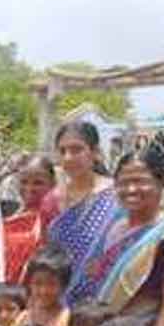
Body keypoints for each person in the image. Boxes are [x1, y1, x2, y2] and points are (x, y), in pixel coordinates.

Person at [79, 147, 164, 326]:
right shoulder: (111, 226)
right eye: (123, 183)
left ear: (161, 182)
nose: (131, 189)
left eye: (140, 181)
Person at [44, 121, 123, 306]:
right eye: (62, 151)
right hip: (63, 301)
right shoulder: (52, 200)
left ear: (95, 152)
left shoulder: (117, 196)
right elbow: (47, 256)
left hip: (109, 299)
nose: (68, 157)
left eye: (76, 150)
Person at [2, 153, 59, 283]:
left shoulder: (54, 219)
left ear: (52, 184)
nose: (29, 188)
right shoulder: (8, 220)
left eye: (38, 183)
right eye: (24, 182)